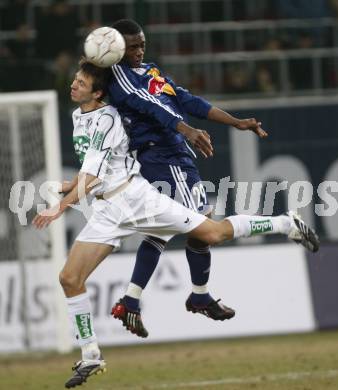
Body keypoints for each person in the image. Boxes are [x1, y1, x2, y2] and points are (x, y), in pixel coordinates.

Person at [32, 60, 319, 388]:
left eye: (81, 82)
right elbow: (94, 174)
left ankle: (286, 223)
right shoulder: (76, 116)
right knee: (70, 278)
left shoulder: (108, 118)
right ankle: (91, 354)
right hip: (107, 209)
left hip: (136, 198)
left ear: (98, 92)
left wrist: (60, 207)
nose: (73, 85)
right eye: (75, 80)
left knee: (211, 232)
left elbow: (95, 174)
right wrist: (69, 186)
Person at [107, 19, 268, 337]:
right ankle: (199, 295)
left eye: (142, 44)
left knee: (161, 230)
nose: (139, 51)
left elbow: (185, 99)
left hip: (171, 153)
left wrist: (234, 121)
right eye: (132, 46)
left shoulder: (150, 70)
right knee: (206, 226)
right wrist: (188, 130)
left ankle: (133, 300)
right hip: (163, 156)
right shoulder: (118, 77)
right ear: (116, 49)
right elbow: (153, 107)